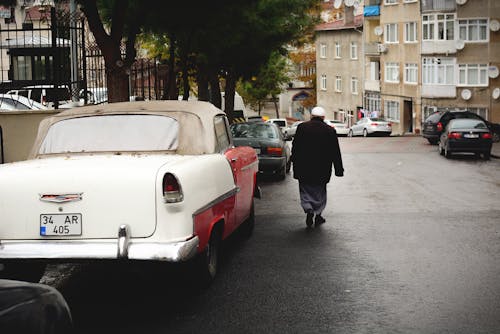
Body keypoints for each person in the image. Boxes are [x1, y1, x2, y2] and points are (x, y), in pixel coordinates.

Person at [291, 106, 344, 228]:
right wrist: (338, 169)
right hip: (322, 169)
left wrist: (293, 161)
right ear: (323, 117)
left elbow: (296, 146)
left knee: (305, 189)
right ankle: (318, 214)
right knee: (320, 191)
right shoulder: (329, 130)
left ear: (311, 116)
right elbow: (335, 151)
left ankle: (308, 209)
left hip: (303, 167)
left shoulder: (302, 128)